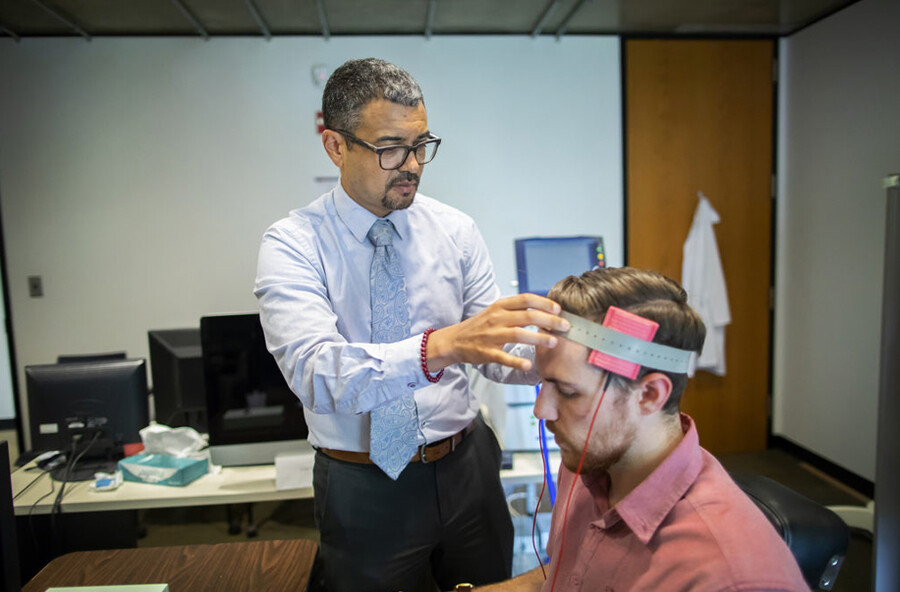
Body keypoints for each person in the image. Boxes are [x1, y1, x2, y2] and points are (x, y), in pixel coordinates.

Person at [254, 57, 570, 592]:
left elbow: (494, 356)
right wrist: (442, 347)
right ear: (335, 146)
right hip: (361, 482)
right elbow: (317, 373)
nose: (414, 165)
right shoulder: (292, 244)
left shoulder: (454, 230)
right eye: (390, 148)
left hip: (466, 465)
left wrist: (566, 357)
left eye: (422, 144)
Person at [470, 267, 808, 592]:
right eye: (543, 382)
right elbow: (564, 575)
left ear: (649, 395)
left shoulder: (730, 576)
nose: (541, 409)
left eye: (569, 392)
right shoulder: (588, 462)